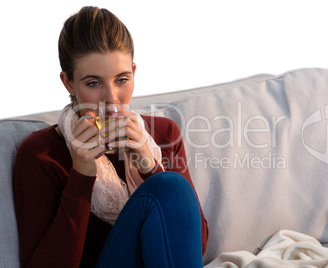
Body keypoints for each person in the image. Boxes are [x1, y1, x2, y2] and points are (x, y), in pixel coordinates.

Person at [13, 6, 208, 268]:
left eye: (121, 79)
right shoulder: (41, 153)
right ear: (68, 83)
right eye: (93, 83)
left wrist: (150, 167)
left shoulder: (163, 135)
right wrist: (81, 175)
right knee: (169, 184)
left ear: (134, 73)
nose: (111, 99)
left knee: (168, 184)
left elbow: (198, 247)